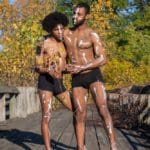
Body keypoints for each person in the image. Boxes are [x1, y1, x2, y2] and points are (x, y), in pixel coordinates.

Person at [64, 3, 117, 150]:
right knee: (79, 114)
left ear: (87, 16)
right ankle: (81, 147)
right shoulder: (66, 34)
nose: (75, 16)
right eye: (74, 13)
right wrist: (62, 67)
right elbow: (58, 54)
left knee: (102, 110)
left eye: (79, 14)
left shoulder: (92, 34)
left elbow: (102, 58)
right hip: (77, 79)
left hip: (93, 76)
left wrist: (82, 67)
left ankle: (113, 146)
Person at [35, 12, 72, 150]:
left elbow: (65, 66)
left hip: (59, 83)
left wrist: (71, 69)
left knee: (77, 110)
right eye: (56, 29)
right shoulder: (41, 43)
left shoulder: (65, 44)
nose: (60, 31)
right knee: (47, 115)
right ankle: (48, 148)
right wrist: (47, 70)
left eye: (62, 28)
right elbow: (37, 66)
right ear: (50, 29)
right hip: (45, 83)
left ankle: (81, 144)